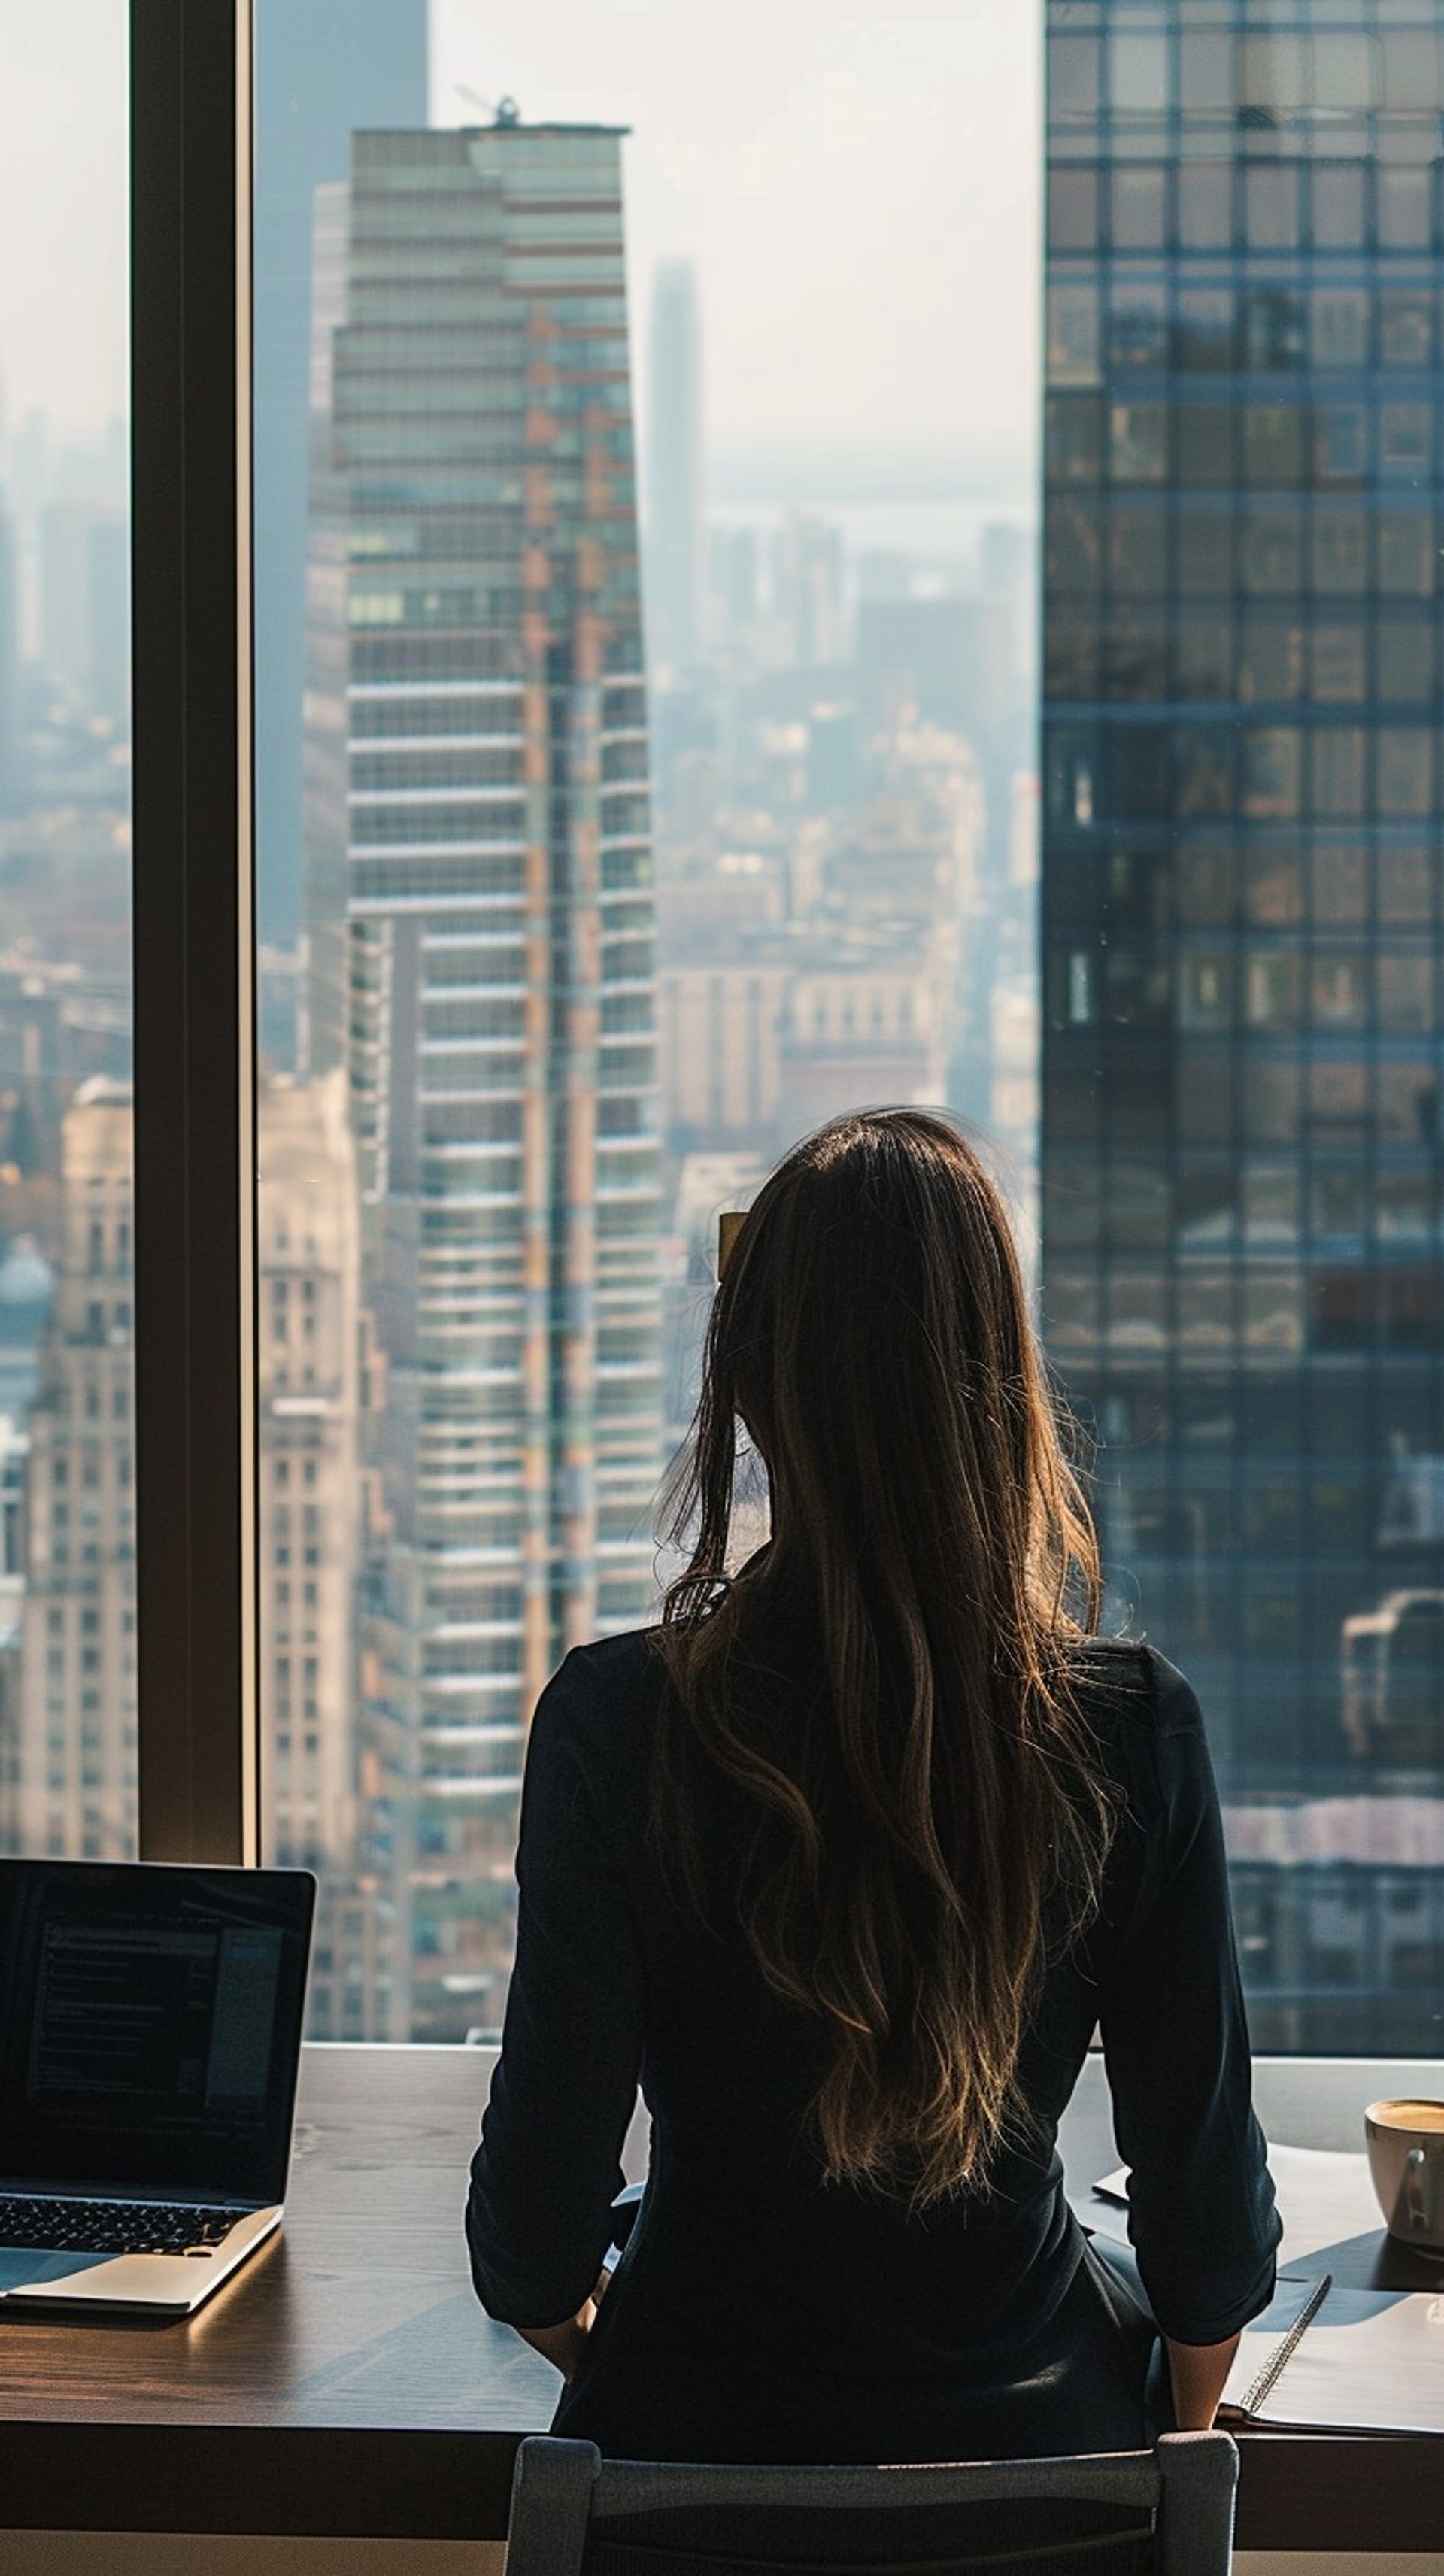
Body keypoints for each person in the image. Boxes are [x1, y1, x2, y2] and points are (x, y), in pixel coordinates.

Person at [466, 1109, 1279, 2464]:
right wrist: (1167, 2436)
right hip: (1048, 2505)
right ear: (1005, 1385)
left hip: (688, 2504)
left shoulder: (615, 1726)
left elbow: (529, 2250)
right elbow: (1208, 2245)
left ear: (753, 1392)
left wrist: (651, 2380)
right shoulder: (1129, 1730)